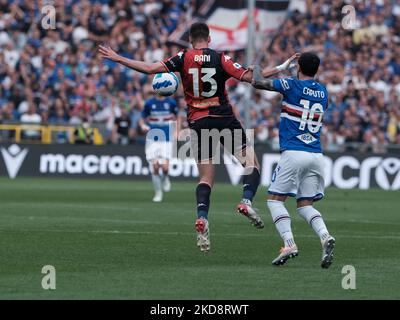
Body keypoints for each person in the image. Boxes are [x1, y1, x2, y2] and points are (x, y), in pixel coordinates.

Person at [99, 22, 297, 252]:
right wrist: (282, 66)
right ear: (209, 39)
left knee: (205, 176)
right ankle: (246, 201)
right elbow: (252, 78)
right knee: (250, 163)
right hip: (224, 117)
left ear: (191, 39)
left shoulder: (183, 57)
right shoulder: (220, 58)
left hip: (198, 121)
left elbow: (150, 69)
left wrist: (118, 58)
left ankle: (202, 217)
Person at [252, 52, 336, 268]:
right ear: (317, 70)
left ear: (298, 66)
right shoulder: (324, 92)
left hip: (293, 151)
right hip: (316, 154)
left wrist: (282, 65)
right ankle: (325, 236)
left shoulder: (290, 85)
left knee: (274, 200)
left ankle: (289, 243)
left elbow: (256, 80)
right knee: (304, 204)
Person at [139, 94, 177, 202]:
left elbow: (177, 115)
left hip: (167, 137)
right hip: (153, 137)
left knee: (165, 167)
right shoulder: (149, 103)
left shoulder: (171, 102)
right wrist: (143, 126)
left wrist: (176, 130)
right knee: (155, 167)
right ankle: (158, 193)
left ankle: (165, 178)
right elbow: (142, 118)